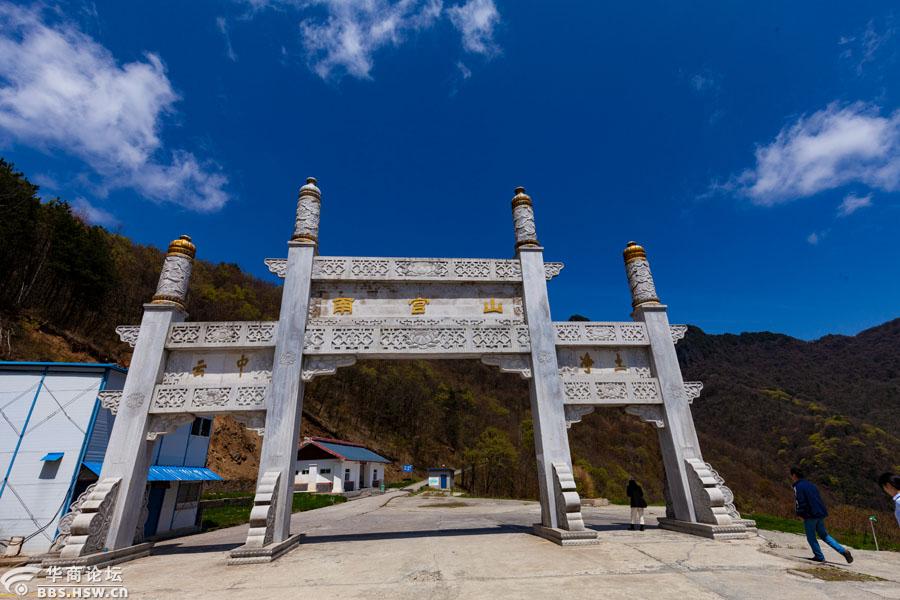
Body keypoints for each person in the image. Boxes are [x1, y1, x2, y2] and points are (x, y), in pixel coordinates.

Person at [790, 466, 853, 563]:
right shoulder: (811, 485)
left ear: (794, 475)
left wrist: (800, 514)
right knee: (824, 535)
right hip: (820, 512)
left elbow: (800, 501)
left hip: (810, 514)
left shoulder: (797, 486)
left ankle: (819, 556)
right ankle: (843, 551)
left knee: (811, 537)